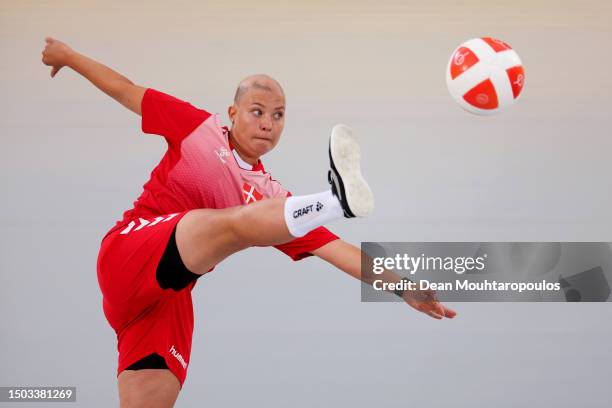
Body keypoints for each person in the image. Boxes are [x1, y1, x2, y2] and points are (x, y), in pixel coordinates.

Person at [41, 37, 456, 408]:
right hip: (128, 253)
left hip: (162, 302)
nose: (267, 123)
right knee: (232, 226)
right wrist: (71, 57)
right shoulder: (196, 129)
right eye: (257, 111)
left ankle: (336, 202)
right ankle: (335, 199)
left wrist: (403, 287)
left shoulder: (274, 198)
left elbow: (338, 251)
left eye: (278, 116)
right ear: (232, 112)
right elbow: (126, 90)